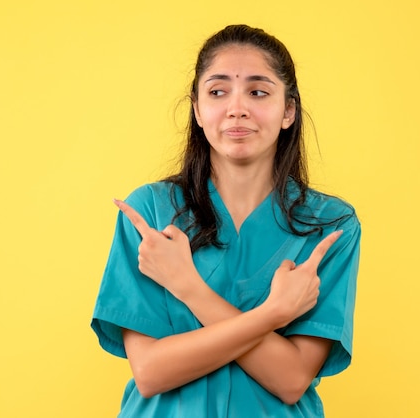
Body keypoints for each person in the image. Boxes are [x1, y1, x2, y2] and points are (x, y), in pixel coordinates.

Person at [91, 24, 361, 417]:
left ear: (289, 110)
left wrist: (187, 286)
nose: (237, 108)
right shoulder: (151, 211)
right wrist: (272, 315)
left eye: (258, 91)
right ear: (198, 110)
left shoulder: (330, 226)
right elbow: (150, 372)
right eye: (218, 92)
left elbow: (291, 380)